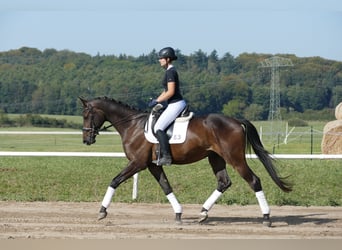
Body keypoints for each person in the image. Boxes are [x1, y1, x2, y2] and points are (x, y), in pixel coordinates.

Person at [148, 47, 187, 166]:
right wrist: (156, 99)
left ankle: (167, 156)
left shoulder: (171, 72)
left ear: (168, 59)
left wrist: (157, 101)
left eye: (161, 58)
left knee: (158, 127)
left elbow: (170, 92)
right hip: (172, 103)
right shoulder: (168, 71)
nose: (159, 60)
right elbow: (165, 91)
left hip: (176, 103)